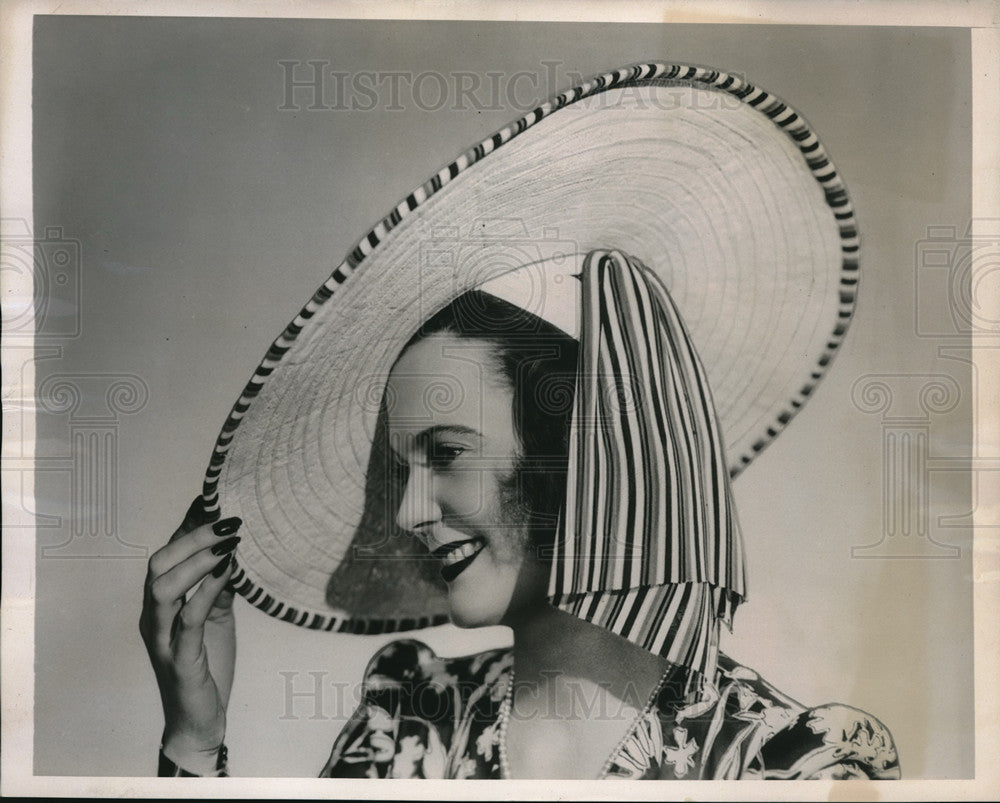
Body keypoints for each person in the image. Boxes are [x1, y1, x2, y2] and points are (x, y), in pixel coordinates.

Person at [140, 61, 900, 780]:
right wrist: (195, 738)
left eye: (446, 452)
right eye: (402, 468)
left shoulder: (786, 761)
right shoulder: (410, 722)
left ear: (586, 450)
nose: (407, 512)